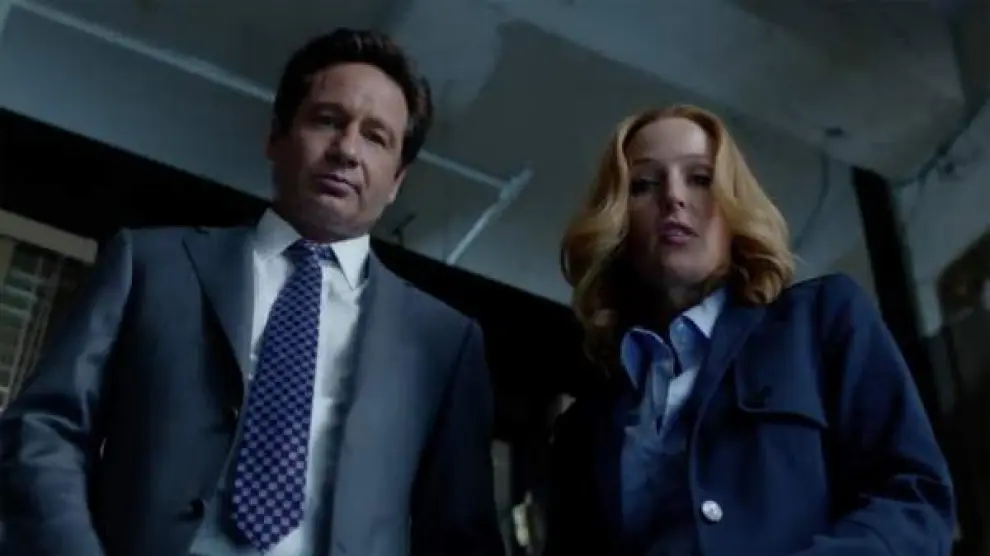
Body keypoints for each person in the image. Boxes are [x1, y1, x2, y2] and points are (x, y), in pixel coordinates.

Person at [0, 28, 503, 556]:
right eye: (327, 120)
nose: (347, 150)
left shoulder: (444, 343)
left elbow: (461, 535)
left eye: (376, 137)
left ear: (397, 179)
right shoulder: (151, 265)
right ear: (275, 138)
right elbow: (44, 429)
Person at [545, 104, 955, 555]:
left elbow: (915, 501)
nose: (674, 198)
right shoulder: (581, 432)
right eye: (643, 184)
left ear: (733, 206)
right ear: (618, 222)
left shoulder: (822, 320)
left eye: (700, 178)